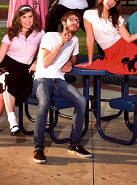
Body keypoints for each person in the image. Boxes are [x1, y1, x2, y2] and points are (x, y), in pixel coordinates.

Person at [0, 5, 45, 146]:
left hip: (23, 72)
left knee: (1, 95)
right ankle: (12, 119)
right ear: (18, 19)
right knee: (6, 77)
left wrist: (37, 61)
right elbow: (0, 55)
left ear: (34, 18)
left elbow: (45, 51)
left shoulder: (40, 33)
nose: (27, 20)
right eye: (24, 17)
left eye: (30, 17)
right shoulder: (10, 34)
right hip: (6, 67)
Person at [32, 11, 92, 164]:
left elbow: (73, 56)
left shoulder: (75, 40)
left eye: (78, 21)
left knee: (82, 101)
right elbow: (45, 63)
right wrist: (60, 44)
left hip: (59, 80)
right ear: (64, 22)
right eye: (72, 20)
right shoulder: (50, 37)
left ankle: (74, 144)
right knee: (44, 103)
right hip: (42, 79)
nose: (76, 23)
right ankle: (38, 148)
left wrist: (70, 62)